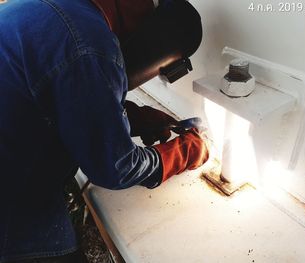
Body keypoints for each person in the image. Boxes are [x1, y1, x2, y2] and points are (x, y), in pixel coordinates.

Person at [0, 0, 209, 262]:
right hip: (13, 201)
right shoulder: (89, 42)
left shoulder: (45, 8)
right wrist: (182, 153)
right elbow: (115, 167)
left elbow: (67, 97)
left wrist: (137, 118)